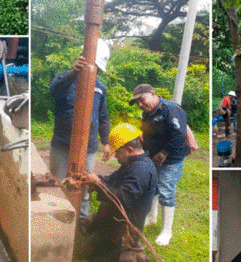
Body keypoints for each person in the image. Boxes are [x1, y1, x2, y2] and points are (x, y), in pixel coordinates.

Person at [49, 40, 111, 219]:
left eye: (98, 68)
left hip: (88, 147)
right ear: (81, 58)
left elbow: (103, 117)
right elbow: (53, 92)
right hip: (62, 144)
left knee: (83, 186)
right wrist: (72, 74)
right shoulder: (64, 79)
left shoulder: (100, 87)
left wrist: (106, 142)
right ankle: (55, 218)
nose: (95, 71)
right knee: (58, 184)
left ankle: (80, 221)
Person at [78, 123, 158, 262]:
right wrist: (95, 181)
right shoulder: (131, 164)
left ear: (129, 149)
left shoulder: (141, 170)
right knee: (83, 252)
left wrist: (98, 183)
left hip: (123, 230)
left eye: (117, 152)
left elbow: (123, 199)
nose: (116, 156)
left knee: (94, 259)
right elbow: (111, 180)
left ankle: (134, 255)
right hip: (112, 224)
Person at [129, 83, 188, 246]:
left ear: (153, 94)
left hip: (171, 159)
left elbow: (179, 136)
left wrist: (163, 153)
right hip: (153, 157)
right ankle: (151, 217)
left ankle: (166, 231)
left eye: (142, 100)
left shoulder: (170, 109)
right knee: (153, 187)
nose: (140, 105)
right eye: (137, 103)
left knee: (165, 191)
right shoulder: (148, 113)